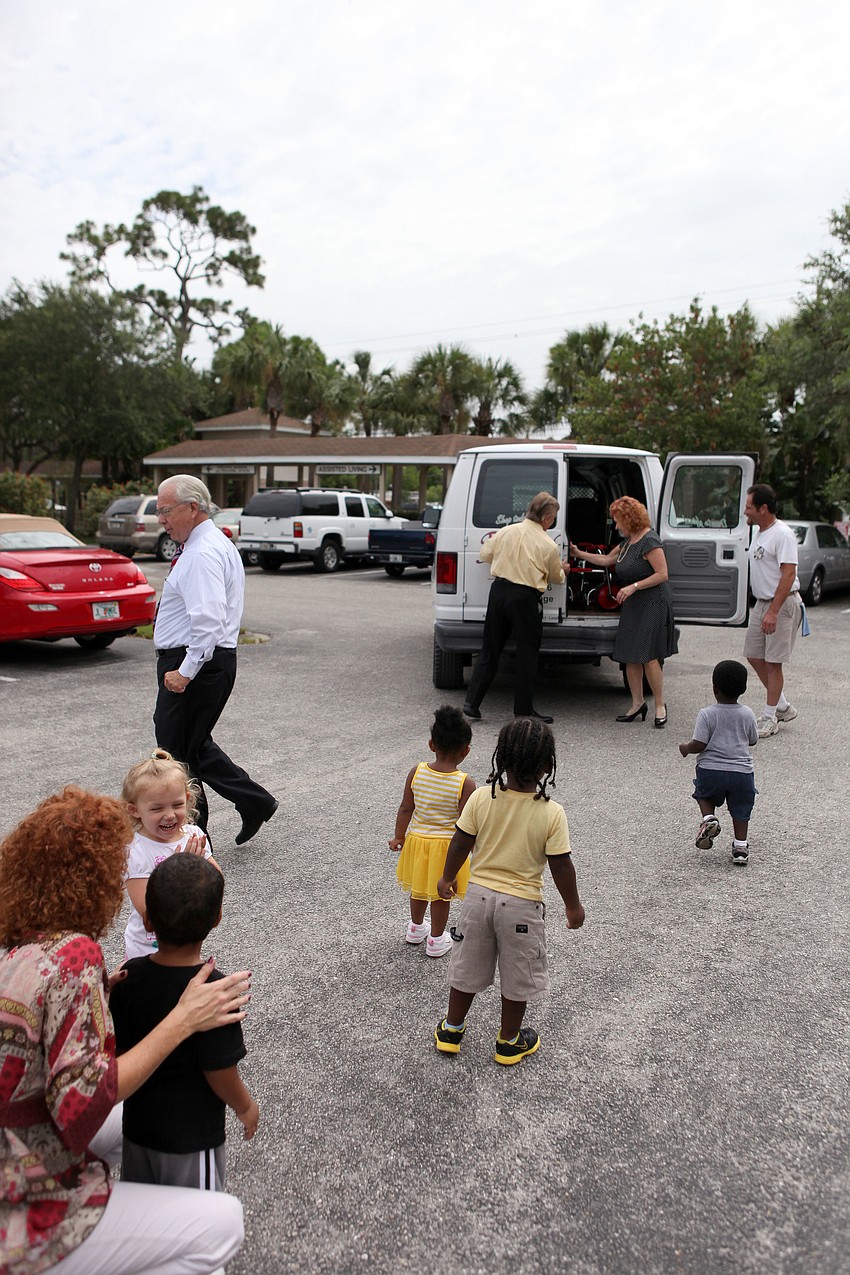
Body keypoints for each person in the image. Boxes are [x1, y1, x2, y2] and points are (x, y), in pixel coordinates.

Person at [0, 786, 250, 1275]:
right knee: (223, 1223)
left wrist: (100, 1001)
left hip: (15, 1140)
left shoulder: (20, 946)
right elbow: (78, 1106)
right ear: (87, 875)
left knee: (140, 1115)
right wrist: (183, 1019)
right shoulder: (74, 955)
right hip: (24, 1208)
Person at [433, 717, 585, 1065]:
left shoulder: (482, 798)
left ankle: (451, 1030)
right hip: (522, 905)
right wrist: (573, 906)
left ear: (500, 758)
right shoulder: (552, 812)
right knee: (518, 973)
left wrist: (446, 878)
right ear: (547, 766)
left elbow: (460, 842)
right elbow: (561, 865)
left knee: (467, 965)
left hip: (477, 898)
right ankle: (508, 1041)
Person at [110, 855, 259, 1190]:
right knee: (198, 1226)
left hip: (137, 1128)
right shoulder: (213, 992)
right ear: (217, 919)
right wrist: (245, 1105)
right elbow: (219, 1070)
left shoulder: (125, 977)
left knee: (144, 1219)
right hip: (190, 1140)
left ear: (148, 922)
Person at [152, 474, 278, 844]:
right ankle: (255, 802)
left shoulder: (203, 552)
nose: (161, 518)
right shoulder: (207, 544)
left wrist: (185, 671)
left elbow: (208, 623)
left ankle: (195, 839)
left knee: (176, 753)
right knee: (193, 744)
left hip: (196, 663)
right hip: (205, 661)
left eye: (165, 510)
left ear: (193, 508)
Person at [462, 491, 571, 724]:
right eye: (553, 518)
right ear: (547, 518)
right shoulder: (548, 544)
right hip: (525, 597)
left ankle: (472, 702)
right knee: (527, 653)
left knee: (490, 648)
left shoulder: (507, 531)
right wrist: (564, 569)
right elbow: (556, 577)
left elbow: (484, 554)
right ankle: (523, 710)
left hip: (499, 591)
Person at [570, 496, 676, 727]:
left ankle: (659, 704)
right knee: (630, 654)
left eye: (618, 521)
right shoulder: (629, 541)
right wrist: (578, 554)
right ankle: (637, 703)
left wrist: (633, 586)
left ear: (630, 519)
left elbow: (662, 574)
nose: (616, 526)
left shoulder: (649, 540)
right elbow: (607, 559)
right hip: (634, 602)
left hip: (652, 601)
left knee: (648, 656)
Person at [389, 704, 476, 959]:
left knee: (419, 888)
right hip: (447, 847)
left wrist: (399, 836)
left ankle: (415, 928)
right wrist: (473, 850)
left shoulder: (417, 772)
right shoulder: (465, 783)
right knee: (442, 894)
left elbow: (406, 807)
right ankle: (437, 939)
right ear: (466, 751)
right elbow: (466, 823)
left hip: (417, 841)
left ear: (431, 744)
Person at [122, 748, 221, 960]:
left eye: (177, 805)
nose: (169, 815)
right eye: (157, 809)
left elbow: (216, 881)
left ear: (187, 798)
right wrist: (183, 867)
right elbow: (150, 913)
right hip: (146, 951)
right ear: (134, 810)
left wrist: (199, 866)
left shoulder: (193, 834)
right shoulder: (135, 850)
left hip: (186, 943)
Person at [679, 660, 759, 867]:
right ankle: (740, 847)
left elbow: (699, 744)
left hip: (710, 770)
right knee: (741, 808)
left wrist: (686, 748)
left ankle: (708, 819)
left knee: (704, 794)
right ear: (743, 689)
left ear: (715, 689)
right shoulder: (748, 713)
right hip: (741, 773)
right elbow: (753, 740)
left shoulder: (707, 714)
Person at [743, 483, 802, 738]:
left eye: (749, 507)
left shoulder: (782, 534)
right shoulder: (760, 532)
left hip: (781, 602)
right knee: (754, 655)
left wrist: (774, 612)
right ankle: (782, 705)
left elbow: (789, 574)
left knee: (773, 662)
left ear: (763, 508)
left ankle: (770, 718)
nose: (745, 512)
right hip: (762, 603)